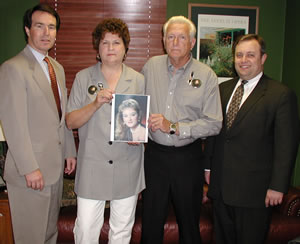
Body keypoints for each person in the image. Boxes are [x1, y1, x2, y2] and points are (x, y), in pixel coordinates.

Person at [207, 34, 300, 244]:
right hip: (221, 189)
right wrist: (208, 168)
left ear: (263, 58)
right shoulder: (223, 90)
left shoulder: (281, 95)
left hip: (255, 193)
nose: (243, 60)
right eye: (239, 55)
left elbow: (287, 145)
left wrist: (278, 186)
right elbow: (215, 132)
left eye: (250, 55)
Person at [141, 16, 223, 244]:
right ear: (163, 40)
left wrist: (175, 127)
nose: (175, 42)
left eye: (182, 37)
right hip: (155, 156)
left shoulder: (207, 75)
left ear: (193, 42)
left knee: (189, 225)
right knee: (151, 222)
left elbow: (214, 123)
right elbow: (136, 103)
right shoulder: (150, 67)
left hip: (188, 158)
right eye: (171, 36)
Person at [0, 4, 77, 244]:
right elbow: (14, 124)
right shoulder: (13, 68)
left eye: (51, 27)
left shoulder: (57, 68)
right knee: (30, 238)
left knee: (49, 235)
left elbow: (60, 116)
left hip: (54, 171)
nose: (46, 33)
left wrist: (69, 151)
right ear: (27, 30)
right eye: (39, 26)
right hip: (30, 173)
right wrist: (29, 168)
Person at [66, 18, 145, 244]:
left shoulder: (138, 79)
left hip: (127, 165)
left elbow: (143, 121)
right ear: (98, 49)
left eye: (116, 43)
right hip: (93, 166)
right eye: (105, 43)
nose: (111, 48)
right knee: (86, 231)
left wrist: (139, 136)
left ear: (125, 48)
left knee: (121, 232)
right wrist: (94, 104)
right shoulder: (84, 78)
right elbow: (71, 121)